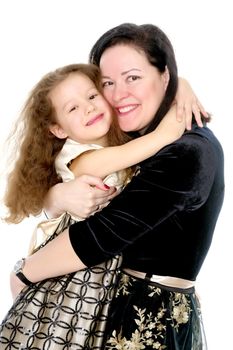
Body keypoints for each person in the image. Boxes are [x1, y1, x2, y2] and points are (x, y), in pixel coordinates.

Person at [4, 22, 224, 349]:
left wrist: (24, 274)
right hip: (94, 300)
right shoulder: (131, 141)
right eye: (108, 83)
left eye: (133, 77)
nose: (118, 95)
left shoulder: (187, 151)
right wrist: (60, 195)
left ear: (165, 75)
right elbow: (59, 196)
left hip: (145, 317)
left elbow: (101, 236)